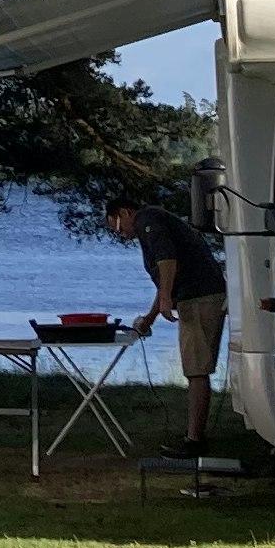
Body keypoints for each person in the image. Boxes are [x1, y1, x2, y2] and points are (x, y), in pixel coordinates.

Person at [105, 192, 229, 453]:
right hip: (193, 296)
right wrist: (150, 317)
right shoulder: (152, 223)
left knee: (196, 369)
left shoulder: (147, 220)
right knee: (194, 367)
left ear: (126, 213)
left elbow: (167, 260)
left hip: (200, 296)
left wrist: (164, 300)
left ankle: (195, 441)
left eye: (117, 226)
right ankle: (195, 436)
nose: (121, 234)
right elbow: (164, 277)